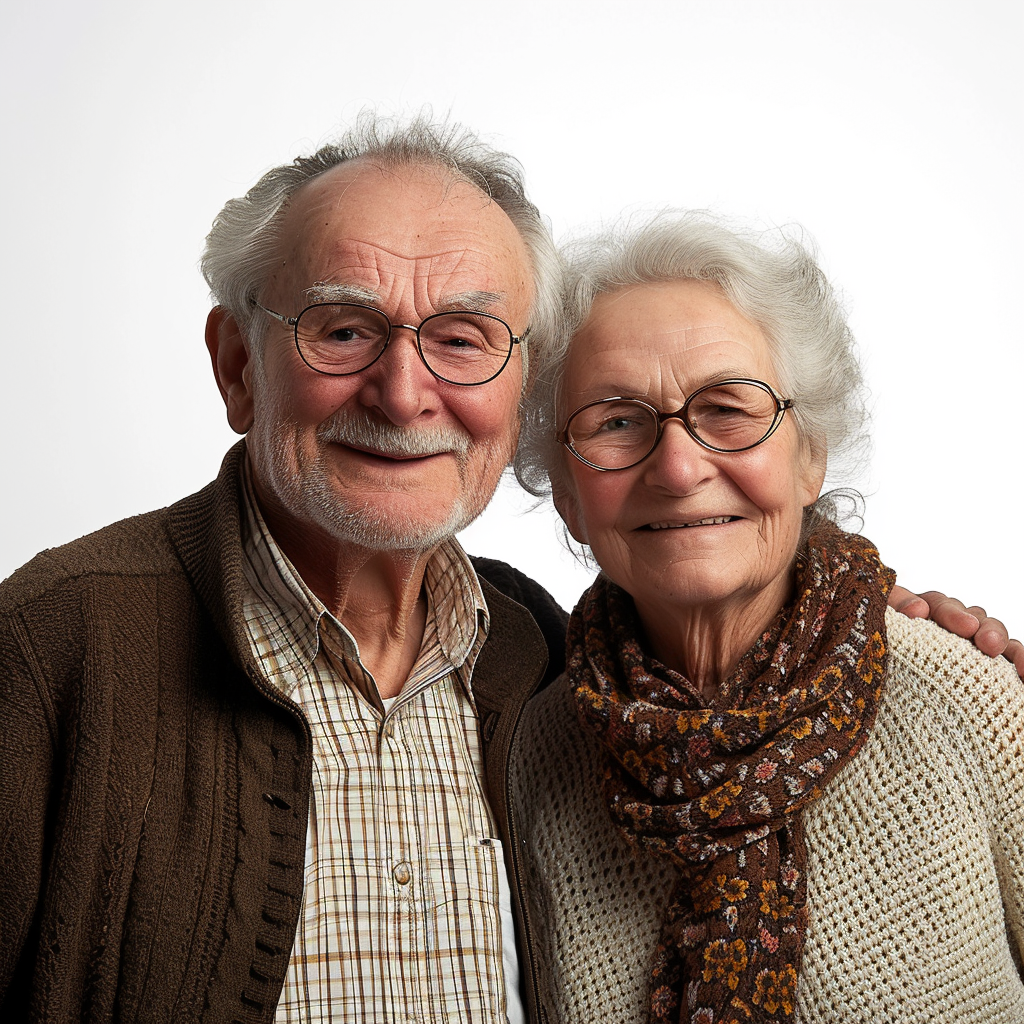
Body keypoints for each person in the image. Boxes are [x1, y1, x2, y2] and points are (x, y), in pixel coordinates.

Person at [0, 114, 1014, 1024]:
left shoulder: (544, 671)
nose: (405, 394)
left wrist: (907, 631)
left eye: (462, 338)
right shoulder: (51, 649)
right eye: (344, 328)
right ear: (235, 367)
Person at [511, 211, 1024, 1022]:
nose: (678, 468)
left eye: (728, 408)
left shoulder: (972, 700)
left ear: (809, 454)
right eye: (616, 421)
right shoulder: (533, 754)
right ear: (568, 494)